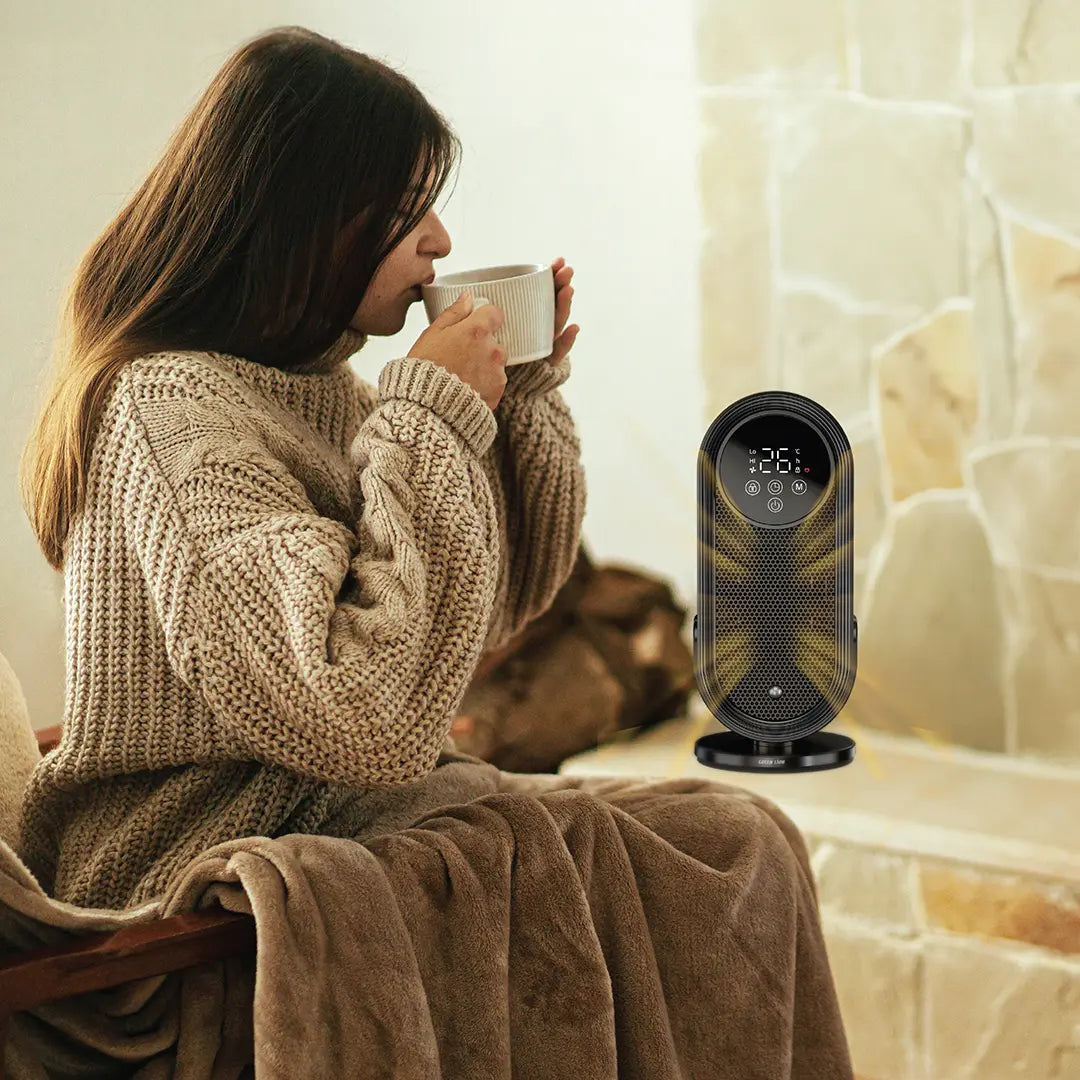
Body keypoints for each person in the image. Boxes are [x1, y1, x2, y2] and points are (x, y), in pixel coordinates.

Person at [14, 26, 850, 1075]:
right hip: (193, 858)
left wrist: (518, 402)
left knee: (743, 842)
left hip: (349, 810)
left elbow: (482, 617)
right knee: (689, 860)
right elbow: (355, 713)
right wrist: (435, 414)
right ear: (305, 217)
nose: (443, 243)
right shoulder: (169, 408)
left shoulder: (326, 392)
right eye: (408, 214)